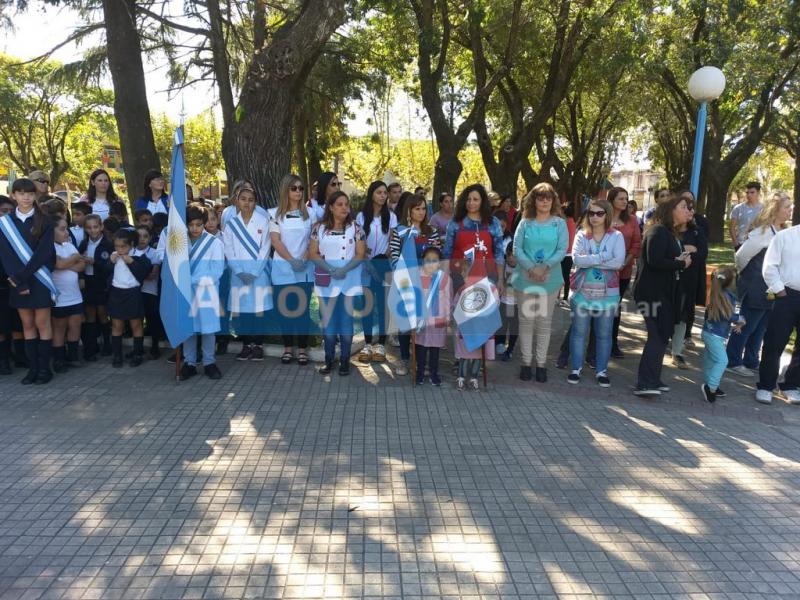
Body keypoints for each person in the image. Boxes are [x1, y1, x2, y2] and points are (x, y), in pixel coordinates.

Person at [632, 195, 693, 397]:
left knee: (662, 334)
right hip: (651, 293)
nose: (688, 210)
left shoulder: (670, 233)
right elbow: (655, 260)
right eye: (683, 207)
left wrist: (678, 260)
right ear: (671, 210)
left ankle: (654, 379)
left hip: (664, 293)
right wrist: (681, 263)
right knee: (656, 335)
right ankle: (644, 383)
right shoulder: (657, 231)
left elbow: (665, 259)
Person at [727, 193, 792, 377]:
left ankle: (751, 359)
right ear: (775, 210)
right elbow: (741, 256)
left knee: (761, 326)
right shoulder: (763, 233)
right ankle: (733, 360)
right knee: (747, 324)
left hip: (772, 288)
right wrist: (748, 277)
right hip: (756, 286)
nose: (790, 210)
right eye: (786, 207)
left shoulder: (783, 232)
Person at [0, 179, 57, 384]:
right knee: (27, 324)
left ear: (35, 196)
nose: (26, 197)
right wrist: (20, 282)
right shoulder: (5, 223)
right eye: (21, 193)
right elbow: (6, 256)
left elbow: (44, 253)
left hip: (39, 279)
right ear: (13, 195)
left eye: (30, 194)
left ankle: (44, 369)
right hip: (18, 281)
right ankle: (33, 369)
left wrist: (22, 277)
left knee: (42, 323)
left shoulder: (45, 220)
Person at [510, 182, 568, 383]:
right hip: (525, 278)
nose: (544, 201)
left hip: (550, 279)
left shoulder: (559, 224)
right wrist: (532, 268)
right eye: (540, 197)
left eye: (548, 198)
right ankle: (526, 363)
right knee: (526, 322)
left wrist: (545, 267)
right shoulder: (525, 223)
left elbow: (562, 250)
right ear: (533, 200)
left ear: (553, 201)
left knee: (544, 322)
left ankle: (541, 364)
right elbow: (517, 249)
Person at [567, 199, 625, 387]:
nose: (594, 217)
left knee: (604, 334)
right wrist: (604, 257)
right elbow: (577, 260)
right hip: (582, 293)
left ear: (607, 215)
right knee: (578, 333)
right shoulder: (581, 235)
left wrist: (590, 260)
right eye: (591, 213)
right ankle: (575, 369)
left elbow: (618, 263)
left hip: (608, 295)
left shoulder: (616, 236)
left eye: (599, 213)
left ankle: (601, 371)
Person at [309, 190, 366, 376]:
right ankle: (329, 359)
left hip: (349, 280)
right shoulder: (318, 228)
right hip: (326, 281)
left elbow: (360, 254)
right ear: (331, 207)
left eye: (346, 204)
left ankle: (345, 361)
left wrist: (344, 270)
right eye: (340, 204)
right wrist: (331, 269)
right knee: (329, 322)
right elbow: (313, 253)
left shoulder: (356, 228)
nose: (344, 208)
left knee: (346, 322)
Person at [388, 194, 440, 375]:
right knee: (405, 322)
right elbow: (394, 256)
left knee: (423, 322)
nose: (421, 212)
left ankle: (420, 360)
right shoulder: (399, 231)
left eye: (424, 208)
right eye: (417, 209)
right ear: (409, 211)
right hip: (405, 281)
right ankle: (404, 359)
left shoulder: (432, 231)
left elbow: (436, 256)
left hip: (426, 283)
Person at [222, 181, 272, 361]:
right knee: (242, 311)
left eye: (251, 200)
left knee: (258, 311)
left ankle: (258, 345)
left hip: (258, 274)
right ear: (237, 200)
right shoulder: (231, 224)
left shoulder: (263, 221)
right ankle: (246, 345)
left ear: (255, 203)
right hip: (239, 275)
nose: (247, 203)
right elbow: (228, 250)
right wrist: (239, 271)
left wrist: (254, 271)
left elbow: (265, 248)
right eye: (243, 199)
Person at [269, 174, 313, 366]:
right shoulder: (274, 214)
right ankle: (288, 348)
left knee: (302, 311)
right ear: (285, 190)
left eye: (301, 188)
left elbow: (313, 240)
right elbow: (275, 241)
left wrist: (303, 259)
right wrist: (292, 261)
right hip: (282, 270)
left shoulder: (311, 214)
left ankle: (302, 349)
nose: (298, 191)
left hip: (305, 269)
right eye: (294, 188)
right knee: (284, 311)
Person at [755, 221, 800, 405]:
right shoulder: (785, 236)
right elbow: (770, 265)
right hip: (786, 294)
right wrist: (779, 290)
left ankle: (791, 385)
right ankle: (766, 386)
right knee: (775, 341)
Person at [179, 205, 225, 380]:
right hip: (185, 292)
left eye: (198, 224)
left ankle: (209, 362)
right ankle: (189, 363)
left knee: (208, 328)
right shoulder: (180, 243)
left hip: (206, 291)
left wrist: (193, 280)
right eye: (190, 224)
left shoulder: (214, 243)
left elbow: (217, 270)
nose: (194, 228)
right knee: (188, 328)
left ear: (204, 223)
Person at [356, 180, 397, 363]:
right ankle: (367, 343)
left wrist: (382, 257)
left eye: (384, 193)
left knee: (383, 306)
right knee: (367, 305)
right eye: (379, 192)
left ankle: (381, 344)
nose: (382, 196)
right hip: (365, 266)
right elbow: (359, 241)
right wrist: (366, 257)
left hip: (383, 265)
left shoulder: (391, 217)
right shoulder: (361, 217)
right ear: (371, 194)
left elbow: (392, 242)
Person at [669, 194, 708, 369]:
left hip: (688, 281)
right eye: (685, 207)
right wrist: (687, 249)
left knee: (682, 316)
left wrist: (683, 252)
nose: (689, 211)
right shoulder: (667, 230)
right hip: (668, 280)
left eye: (691, 208)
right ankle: (660, 343)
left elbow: (702, 255)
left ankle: (677, 352)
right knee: (666, 313)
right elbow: (664, 253)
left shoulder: (697, 231)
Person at [107, 229, 151, 368]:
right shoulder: (114, 256)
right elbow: (104, 270)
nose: (119, 249)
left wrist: (131, 262)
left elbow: (144, 272)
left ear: (131, 244)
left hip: (133, 293)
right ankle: (117, 355)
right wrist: (110, 262)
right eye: (117, 246)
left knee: (136, 324)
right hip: (116, 293)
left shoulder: (139, 256)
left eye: (123, 246)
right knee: (117, 325)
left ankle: (137, 354)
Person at [701, 266, 745, 403]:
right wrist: (740, 319)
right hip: (714, 336)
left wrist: (739, 321)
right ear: (729, 282)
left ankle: (709, 383)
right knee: (722, 361)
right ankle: (711, 387)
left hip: (711, 334)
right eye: (735, 280)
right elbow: (726, 315)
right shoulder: (723, 296)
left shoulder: (720, 293)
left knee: (710, 360)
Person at [51, 216, 85, 372]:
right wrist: (74, 259)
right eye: (62, 229)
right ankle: (59, 359)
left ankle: (73, 356)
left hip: (75, 296)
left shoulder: (69, 246)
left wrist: (67, 263)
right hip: (59, 298)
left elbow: (81, 265)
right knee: (59, 328)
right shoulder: (49, 248)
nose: (66, 233)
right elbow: (58, 264)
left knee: (75, 325)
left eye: (66, 229)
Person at [78, 214, 113, 360]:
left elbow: (109, 267)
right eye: (89, 228)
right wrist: (81, 276)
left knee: (102, 313)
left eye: (95, 227)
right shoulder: (83, 244)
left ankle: (107, 344)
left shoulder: (108, 245)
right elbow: (78, 262)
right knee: (90, 314)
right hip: (88, 282)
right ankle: (92, 346)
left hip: (101, 283)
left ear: (101, 227)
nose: (92, 230)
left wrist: (94, 262)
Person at [415, 247, 451, 386]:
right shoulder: (416, 276)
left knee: (435, 349)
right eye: (428, 260)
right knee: (420, 347)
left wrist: (447, 317)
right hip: (421, 319)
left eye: (434, 261)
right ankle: (419, 372)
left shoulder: (444, 278)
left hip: (437, 319)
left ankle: (433, 373)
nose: (431, 264)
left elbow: (448, 299)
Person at [134, 225, 163, 359]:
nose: (142, 239)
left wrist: (136, 274)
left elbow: (153, 274)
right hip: (134, 292)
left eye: (145, 236)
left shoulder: (154, 253)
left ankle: (155, 347)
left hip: (150, 291)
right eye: (139, 236)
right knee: (136, 321)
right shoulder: (130, 252)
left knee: (152, 320)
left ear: (150, 238)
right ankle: (138, 349)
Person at [496, 241, 518, 361]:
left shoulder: (523, 268)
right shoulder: (502, 265)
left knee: (514, 328)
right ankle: (500, 345)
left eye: (513, 255)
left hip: (517, 304)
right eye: (508, 254)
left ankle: (510, 350)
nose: (511, 258)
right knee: (501, 326)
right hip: (503, 302)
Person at [729, 181, 762, 250]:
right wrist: (736, 244)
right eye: (747, 192)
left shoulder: (764, 209)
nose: (749, 195)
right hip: (741, 244)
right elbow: (732, 227)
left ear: (758, 193)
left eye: (752, 192)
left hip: (760, 245)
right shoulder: (738, 208)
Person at [558, 201, 577, 308]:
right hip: (569, 254)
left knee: (560, 276)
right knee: (566, 277)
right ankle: (564, 298)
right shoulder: (573, 222)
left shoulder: (564, 223)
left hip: (563, 254)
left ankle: (560, 297)